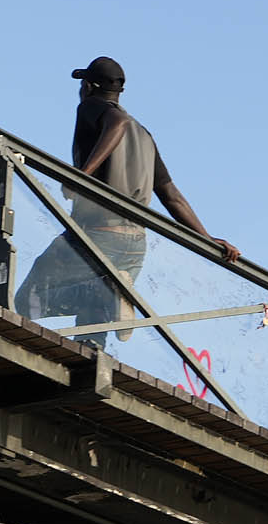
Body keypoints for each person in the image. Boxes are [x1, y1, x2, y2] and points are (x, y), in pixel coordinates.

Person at [15, 57, 238, 339]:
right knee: (94, 318)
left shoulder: (93, 106)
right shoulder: (144, 135)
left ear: (87, 86)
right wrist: (206, 238)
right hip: (134, 243)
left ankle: (106, 292)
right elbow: (171, 196)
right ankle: (93, 352)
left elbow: (116, 121)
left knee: (28, 299)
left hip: (97, 233)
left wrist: (81, 176)